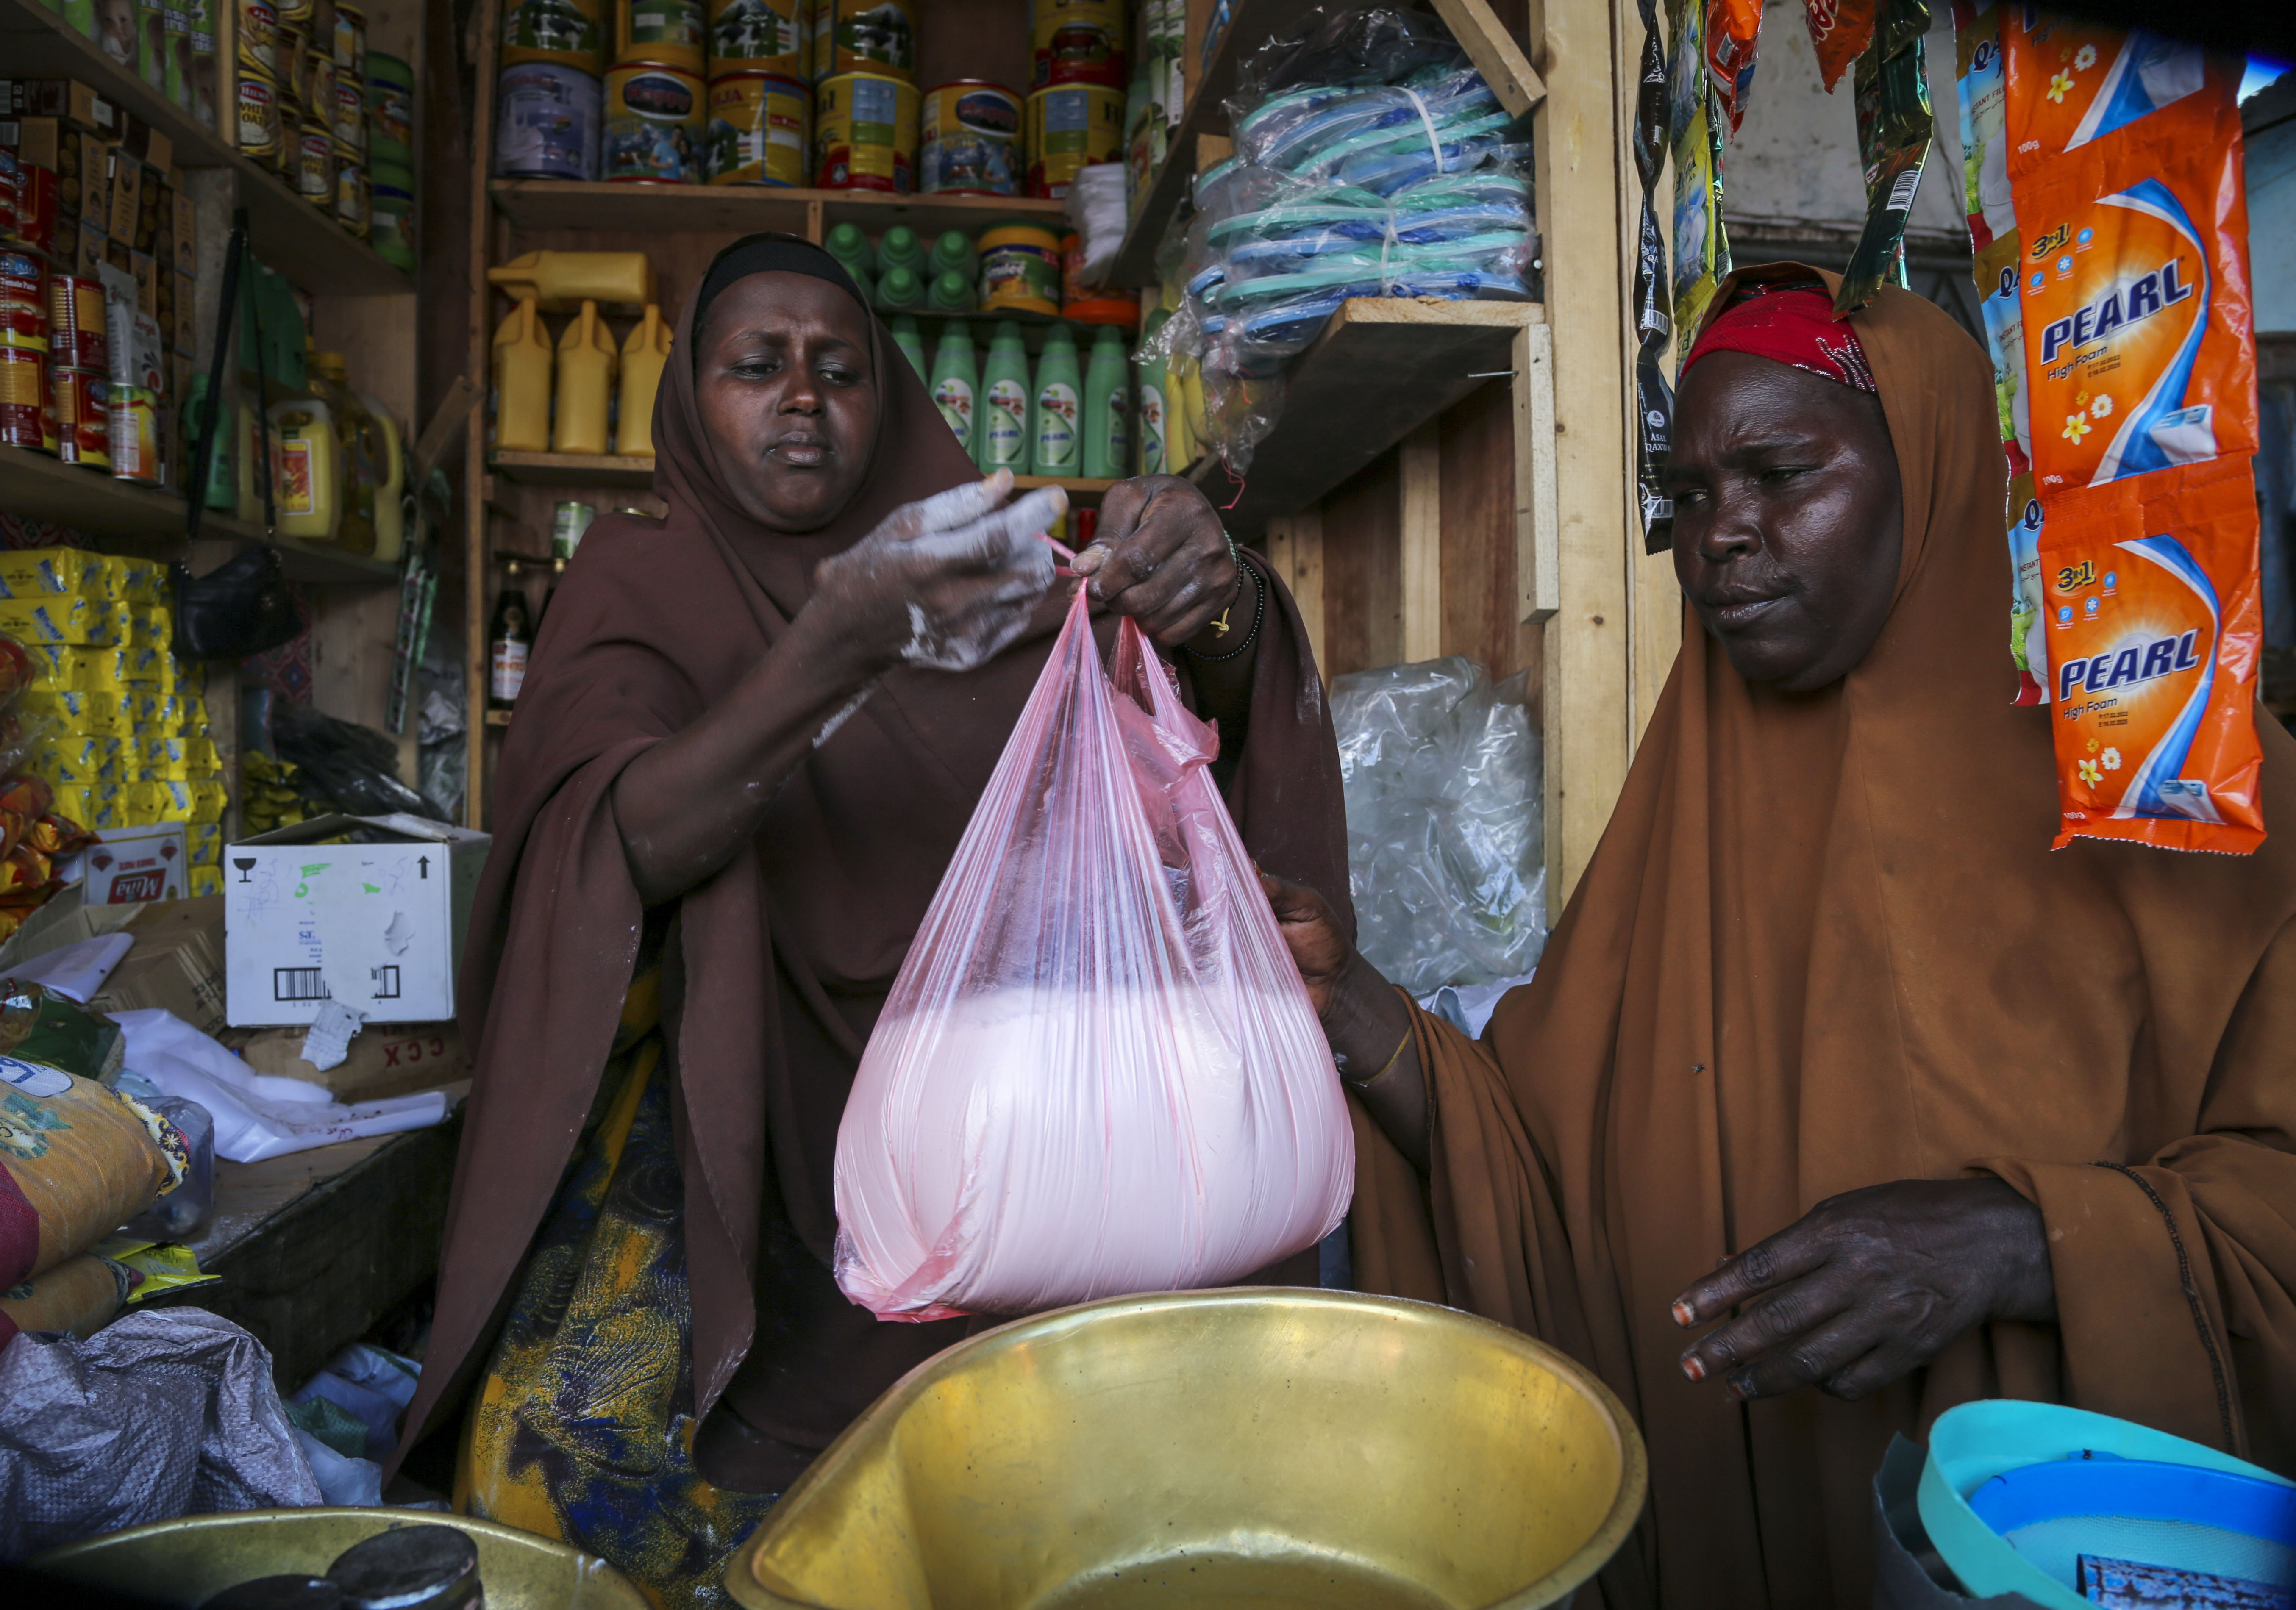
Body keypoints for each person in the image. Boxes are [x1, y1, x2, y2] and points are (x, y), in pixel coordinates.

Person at [1266, 262, 2296, 1608]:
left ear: (1931, 474)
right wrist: (1359, 1019)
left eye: (1778, 475)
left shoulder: (2182, 797)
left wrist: (2017, 1240)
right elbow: (1532, 1155)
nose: (1719, 538)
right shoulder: (1686, 808)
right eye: (1686, 497)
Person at [396, 234, 1348, 1606]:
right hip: (775, 1129)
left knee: (1111, 1508)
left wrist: (1227, 604)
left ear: (888, 397)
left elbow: (1189, 736)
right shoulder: (639, 574)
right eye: (755, 367)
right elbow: (619, 844)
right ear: (690, 396)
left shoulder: (987, 559)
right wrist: (836, 643)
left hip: (1037, 1127)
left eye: (839, 370)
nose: (801, 397)